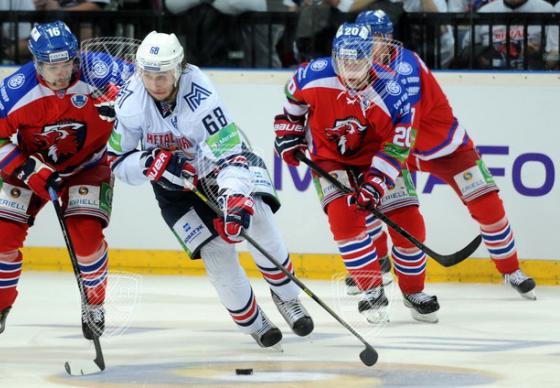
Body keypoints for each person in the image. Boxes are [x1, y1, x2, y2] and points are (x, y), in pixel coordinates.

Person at [108, 31, 314, 348]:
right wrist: (148, 162)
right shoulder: (130, 103)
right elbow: (118, 163)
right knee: (217, 253)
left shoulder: (200, 94)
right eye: (148, 75)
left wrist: (234, 198)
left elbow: (230, 153)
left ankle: (287, 297)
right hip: (173, 191)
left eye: (161, 75)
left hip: (219, 169)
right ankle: (254, 323)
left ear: (177, 69)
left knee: (258, 220)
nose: (155, 84)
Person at [0, 21, 117, 349]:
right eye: (50, 66)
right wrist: (28, 169)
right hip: (30, 166)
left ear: (76, 57)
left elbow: (148, 85)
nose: (60, 73)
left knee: (86, 238)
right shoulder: (16, 90)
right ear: (36, 61)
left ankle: (95, 306)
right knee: (1, 238)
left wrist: (122, 102)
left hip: (88, 165)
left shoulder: (101, 71)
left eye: (66, 63)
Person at [357, 9, 537, 299]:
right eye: (370, 38)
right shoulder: (354, 70)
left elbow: (407, 118)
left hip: (444, 146)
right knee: (368, 199)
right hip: (397, 151)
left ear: (390, 38)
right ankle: (379, 262)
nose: (375, 44)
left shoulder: (405, 65)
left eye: (380, 37)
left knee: (489, 208)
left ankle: (511, 270)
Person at [274, 23, 440, 324]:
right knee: (344, 222)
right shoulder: (312, 75)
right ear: (335, 57)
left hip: (377, 157)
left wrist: (375, 184)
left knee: (410, 225)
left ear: (371, 59)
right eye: (344, 61)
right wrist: (290, 131)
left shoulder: (392, 93)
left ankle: (414, 291)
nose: (350, 70)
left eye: (358, 61)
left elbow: (397, 147)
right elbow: (292, 103)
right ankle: (372, 292)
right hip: (329, 158)